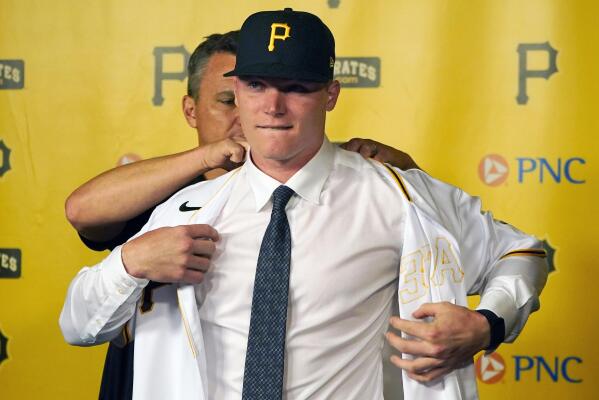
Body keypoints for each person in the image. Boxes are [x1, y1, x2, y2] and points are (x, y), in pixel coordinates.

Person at [60, 9, 548, 399]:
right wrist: (129, 262)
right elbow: (78, 326)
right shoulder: (187, 208)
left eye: (296, 88)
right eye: (254, 87)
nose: (272, 106)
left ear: (330, 94)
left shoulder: (398, 194)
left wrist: (488, 325)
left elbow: (524, 252)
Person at [65, 30, 418, 399]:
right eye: (231, 98)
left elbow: (449, 247)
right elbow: (81, 210)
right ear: (190, 110)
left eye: (268, 90)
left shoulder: (352, 192)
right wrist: (207, 157)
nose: (257, 109)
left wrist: (407, 176)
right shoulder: (167, 199)